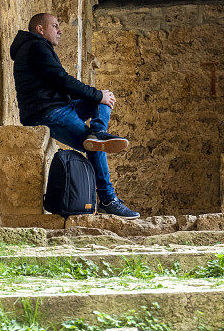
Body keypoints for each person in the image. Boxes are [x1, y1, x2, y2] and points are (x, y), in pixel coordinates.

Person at [11, 12, 139, 218]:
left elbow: (61, 83)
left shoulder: (38, 47)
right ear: (40, 29)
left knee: (103, 101)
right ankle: (108, 199)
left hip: (60, 106)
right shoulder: (35, 47)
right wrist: (96, 95)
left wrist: (98, 96)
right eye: (55, 26)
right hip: (46, 112)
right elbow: (62, 80)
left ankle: (97, 132)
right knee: (95, 137)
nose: (60, 30)